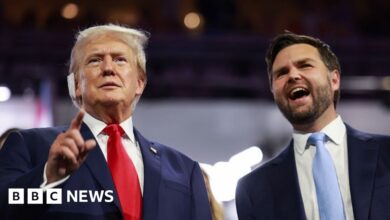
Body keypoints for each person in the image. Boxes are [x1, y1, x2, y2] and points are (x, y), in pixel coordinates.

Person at [0, 24, 212, 220]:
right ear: (76, 85)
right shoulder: (30, 147)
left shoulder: (185, 171)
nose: (108, 68)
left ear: (139, 83)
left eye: (120, 59)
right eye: (95, 60)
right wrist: (48, 179)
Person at [235, 32, 390, 220]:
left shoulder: (385, 153)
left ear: (334, 80)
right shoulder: (253, 189)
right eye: (281, 73)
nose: (292, 75)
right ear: (274, 92)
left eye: (305, 65)